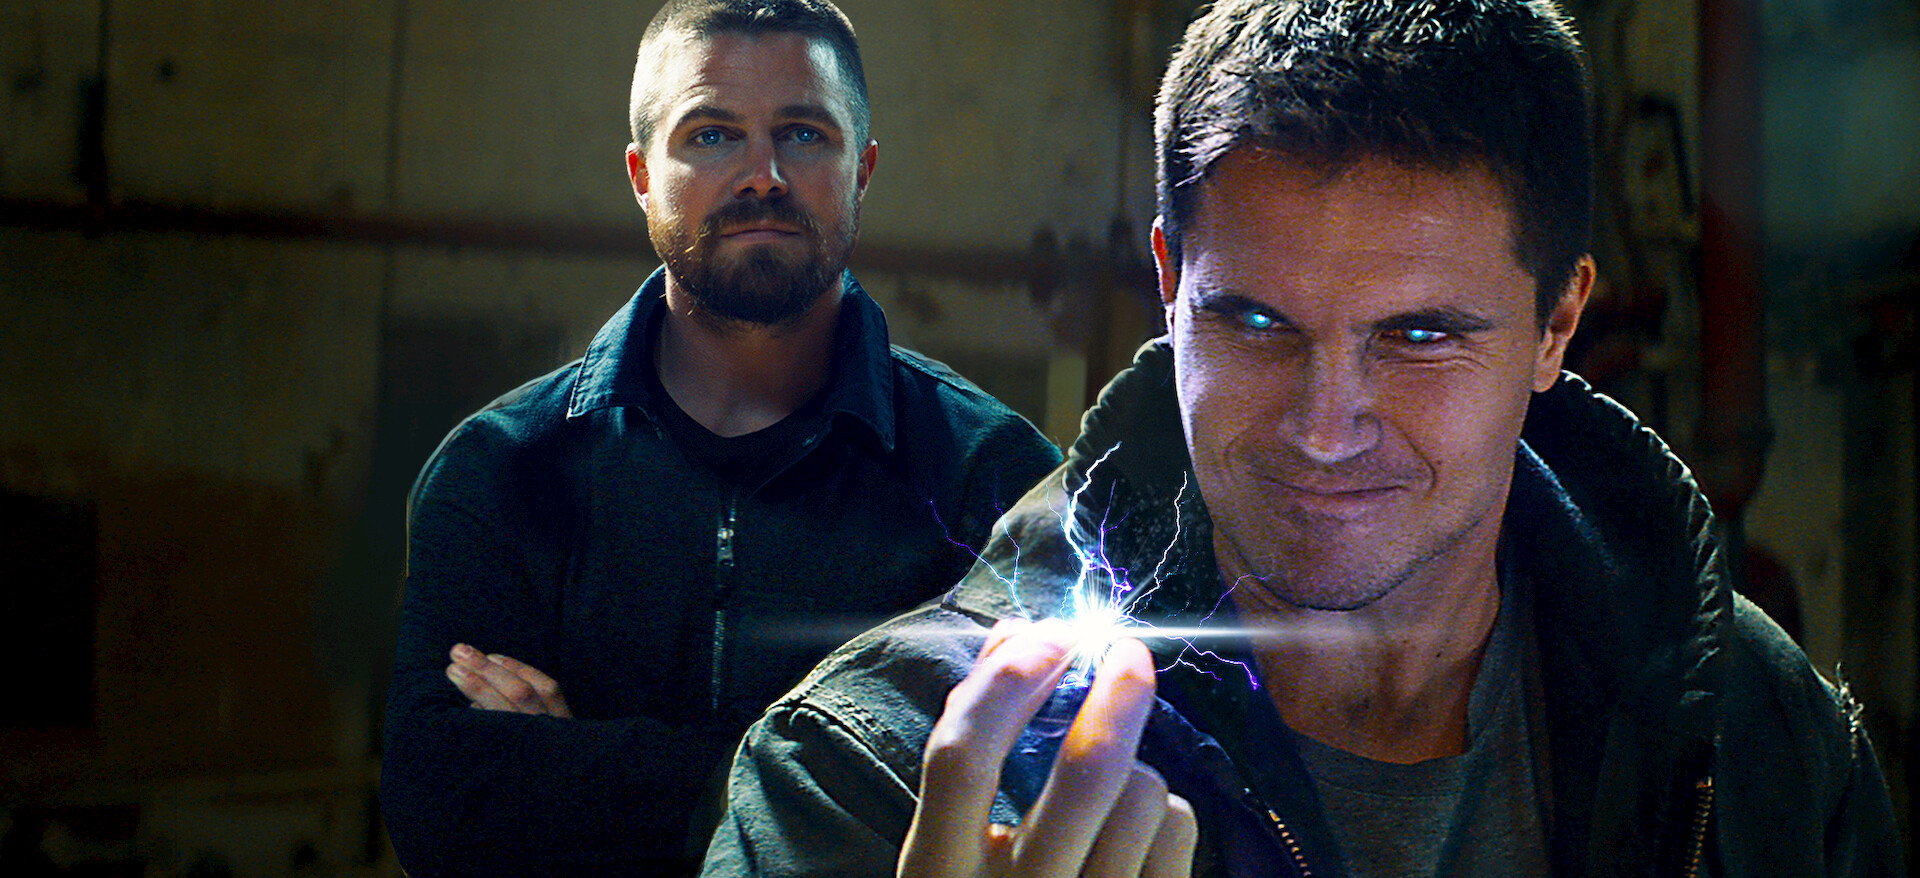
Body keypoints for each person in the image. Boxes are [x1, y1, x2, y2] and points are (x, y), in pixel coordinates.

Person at [701, 1, 1905, 875]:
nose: (1325, 426)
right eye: (1257, 322)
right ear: (1168, 283)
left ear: (1558, 324)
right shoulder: (872, 768)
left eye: (1421, 335)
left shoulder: (1760, 740)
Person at [378, 1, 1062, 874]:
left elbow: (1026, 808)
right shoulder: (498, 470)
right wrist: (853, 785)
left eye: (804, 134)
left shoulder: (996, 481)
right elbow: (442, 805)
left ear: (862, 169)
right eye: (710, 136)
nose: (762, 176)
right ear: (641, 175)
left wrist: (573, 770)